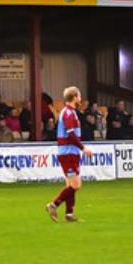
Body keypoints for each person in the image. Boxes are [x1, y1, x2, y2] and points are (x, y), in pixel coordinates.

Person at [45, 86, 93, 223]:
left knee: (70, 185)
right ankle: (53, 205)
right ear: (74, 97)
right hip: (68, 152)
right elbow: (71, 134)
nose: (81, 98)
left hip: (70, 152)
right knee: (76, 185)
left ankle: (69, 214)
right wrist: (83, 149)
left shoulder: (71, 112)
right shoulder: (68, 113)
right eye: (79, 96)